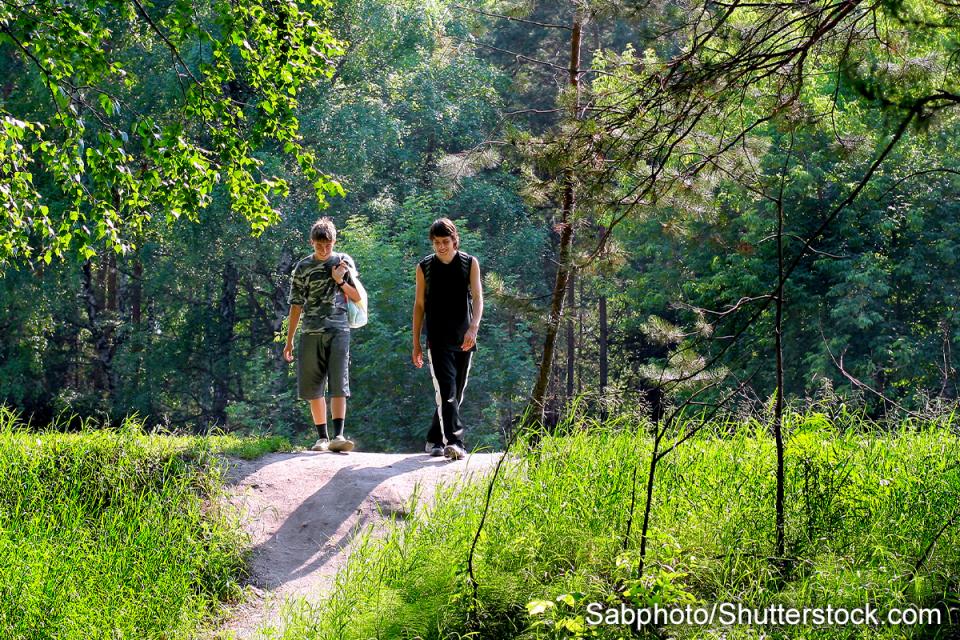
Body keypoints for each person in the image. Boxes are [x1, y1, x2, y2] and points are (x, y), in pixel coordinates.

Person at [284, 217, 362, 453]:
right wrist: (289, 341)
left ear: (334, 241)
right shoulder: (303, 267)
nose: (324, 249)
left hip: (339, 329)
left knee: (339, 381)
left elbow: (357, 296)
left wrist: (339, 281)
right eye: (319, 245)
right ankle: (321, 437)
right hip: (311, 330)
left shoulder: (343, 261)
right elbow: (296, 305)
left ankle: (339, 436)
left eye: (328, 245)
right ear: (312, 243)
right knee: (314, 385)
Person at [411, 218, 483, 460]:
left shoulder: (469, 263)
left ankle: (433, 438)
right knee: (446, 391)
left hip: (464, 338)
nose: (441, 246)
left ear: (454, 240)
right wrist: (416, 343)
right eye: (436, 242)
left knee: (455, 392)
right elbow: (419, 305)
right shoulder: (425, 268)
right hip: (437, 340)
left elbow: (478, 298)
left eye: (445, 241)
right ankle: (455, 442)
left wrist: (473, 328)